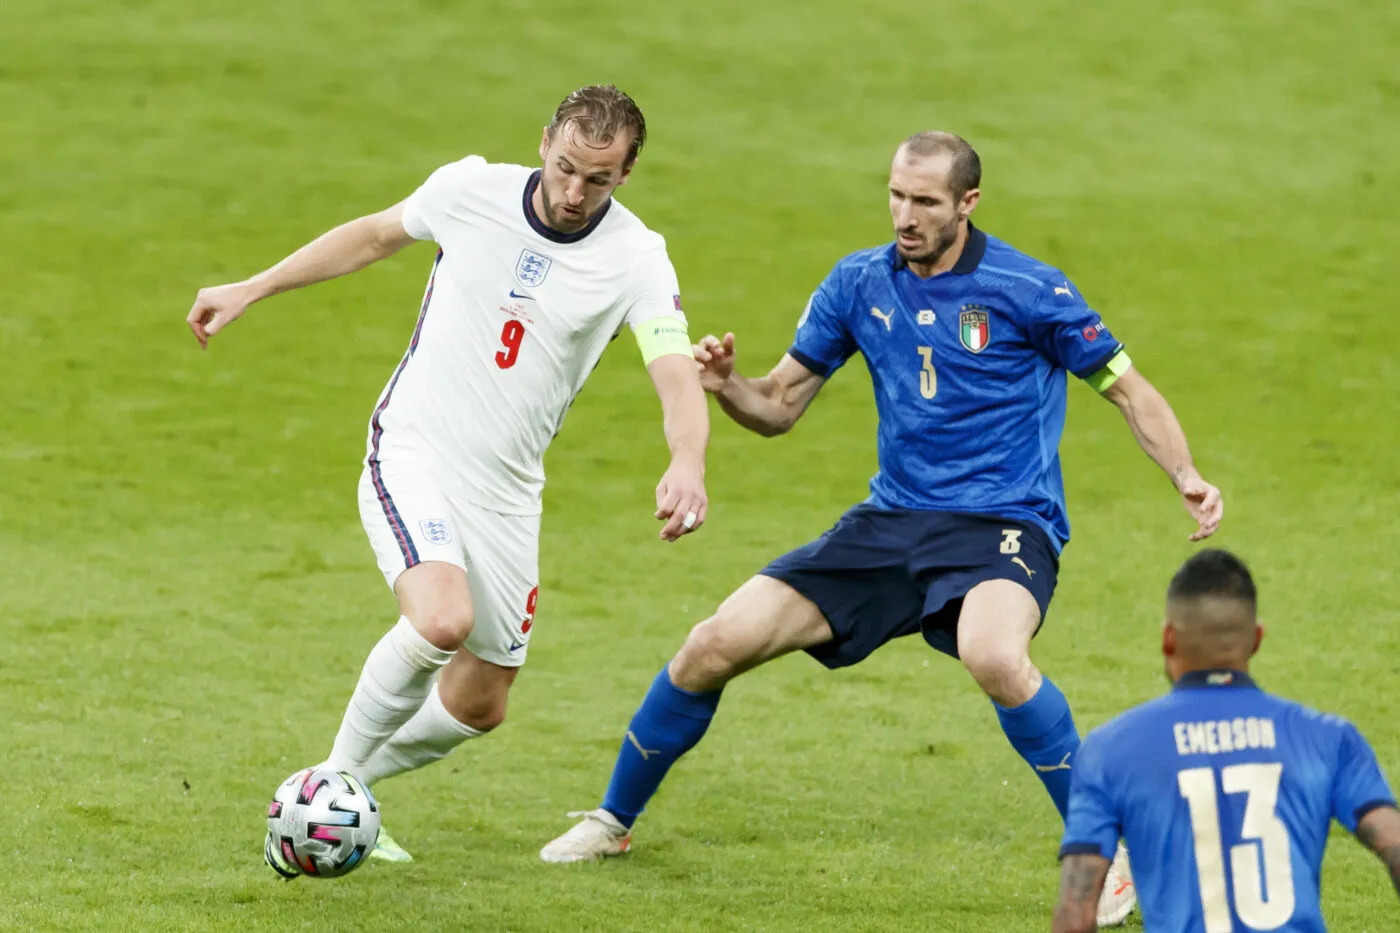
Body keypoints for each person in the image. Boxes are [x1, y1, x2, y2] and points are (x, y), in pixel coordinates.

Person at [541, 130, 1222, 926]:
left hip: (1004, 522)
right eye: (896, 195)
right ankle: (612, 821)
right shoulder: (858, 281)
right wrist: (728, 387)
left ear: (967, 204)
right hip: (891, 522)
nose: (905, 214)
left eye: (925, 201)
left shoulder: (1029, 288)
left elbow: (1129, 391)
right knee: (712, 643)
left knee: (996, 655)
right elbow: (780, 407)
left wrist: (1186, 475)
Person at [184, 85, 710, 872]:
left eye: (596, 180)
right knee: (440, 620)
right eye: (565, 167)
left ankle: (347, 783)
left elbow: (674, 372)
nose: (573, 192)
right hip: (415, 449)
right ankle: (319, 802)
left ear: (626, 175)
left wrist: (687, 459)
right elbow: (368, 238)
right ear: (543, 143)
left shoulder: (637, 256)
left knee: (481, 700)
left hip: (505, 491)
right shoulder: (469, 190)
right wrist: (252, 286)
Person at [1053, 549, 1400, 932]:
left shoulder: (1111, 750)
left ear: (1169, 638)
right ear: (1257, 639)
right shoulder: (1329, 739)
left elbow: (1076, 911)